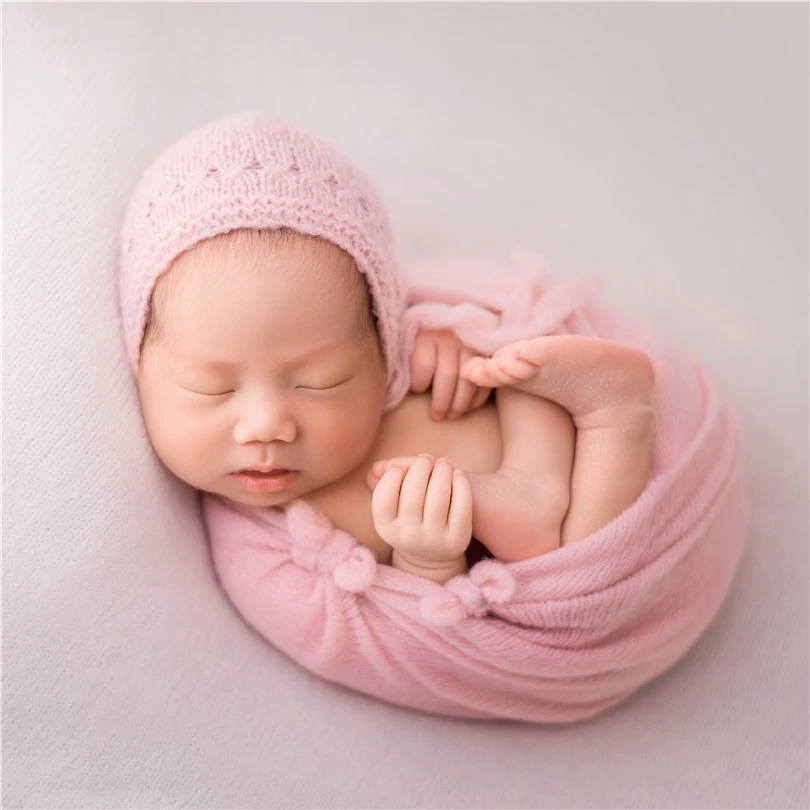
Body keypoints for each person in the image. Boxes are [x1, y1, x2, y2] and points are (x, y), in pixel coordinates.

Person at [123, 114, 655, 585]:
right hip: (577, 535)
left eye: (321, 379)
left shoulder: (407, 341)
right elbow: (400, 638)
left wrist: (452, 337)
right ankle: (617, 420)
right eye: (210, 388)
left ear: (383, 340)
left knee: (513, 351)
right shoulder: (264, 551)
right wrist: (427, 561)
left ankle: (534, 478)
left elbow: (465, 304)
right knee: (578, 575)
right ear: (139, 365)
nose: (266, 425)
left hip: (546, 454)